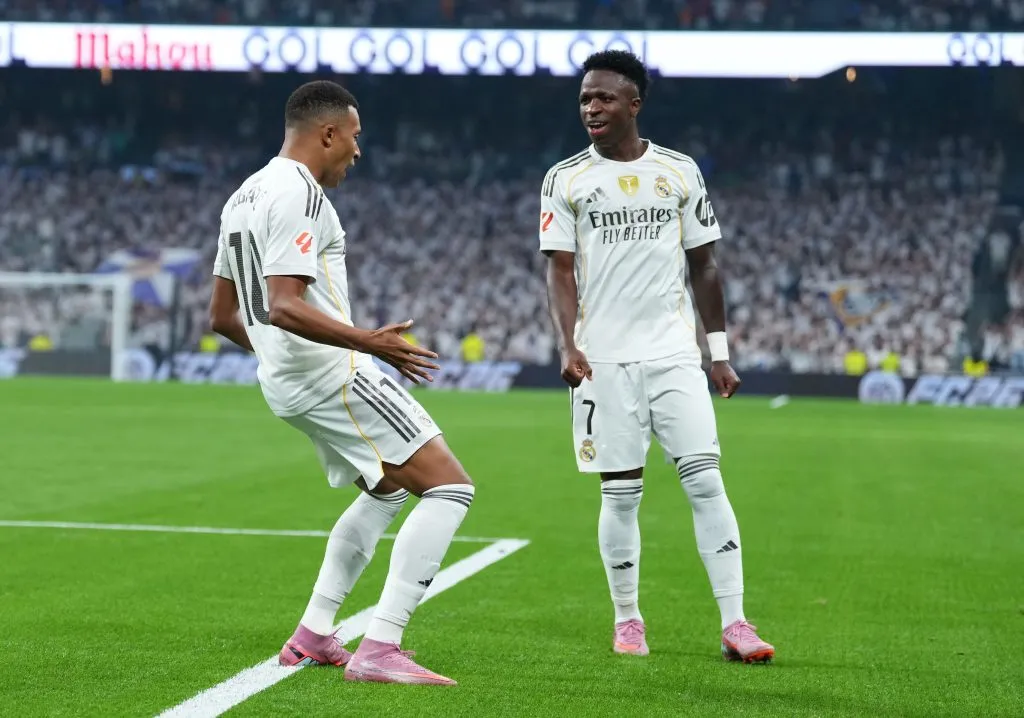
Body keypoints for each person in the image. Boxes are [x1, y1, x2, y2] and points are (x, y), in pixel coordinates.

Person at [209, 80, 474, 686]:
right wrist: (369, 342)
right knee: (450, 489)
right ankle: (381, 646)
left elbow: (222, 317)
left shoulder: (242, 196)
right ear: (327, 133)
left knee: (389, 489)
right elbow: (283, 304)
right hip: (333, 375)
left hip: (286, 382)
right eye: (354, 137)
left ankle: (312, 634)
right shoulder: (300, 192)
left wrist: (279, 356)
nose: (358, 150)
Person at [540, 51, 774, 663]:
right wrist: (568, 343)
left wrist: (717, 353)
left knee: (706, 481)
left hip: (673, 355)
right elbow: (559, 270)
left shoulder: (679, 170)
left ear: (634, 103)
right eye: (585, 99)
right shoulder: (565, 178)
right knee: (620, 495)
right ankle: (628, 619)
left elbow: (705, 265)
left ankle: (735, 622)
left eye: (604, 98)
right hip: (604, 362)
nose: (591, 108)